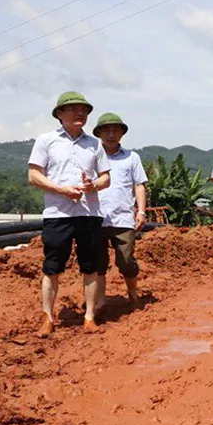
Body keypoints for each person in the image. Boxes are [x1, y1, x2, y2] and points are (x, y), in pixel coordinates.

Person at [27, 91, 111, 338]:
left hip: (89, 214)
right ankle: (48, 317)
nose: (80, 113)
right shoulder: (46, 140)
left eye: (84, 110)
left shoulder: (95, 144)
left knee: (91, 267)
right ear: (59, 114)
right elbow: (34, 175)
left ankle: (89, 317)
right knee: (52, 267)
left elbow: (106, 177)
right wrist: (62, 190)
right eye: (73, 109)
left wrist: (93, 185)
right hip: (58, 214)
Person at [92, 113, 148, 314]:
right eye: (106, 130)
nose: (111, 134)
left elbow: (139, 185)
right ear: (99, 133)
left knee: (126, 260)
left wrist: (141, 211)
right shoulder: (91, 157)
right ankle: (100, 303)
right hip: (96, 217)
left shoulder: (132, 157)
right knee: (98, 263)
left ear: (122, 134)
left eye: (116, 130)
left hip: (123, 217)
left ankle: (133, 294)